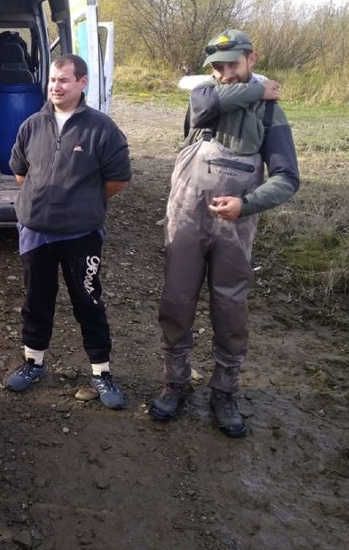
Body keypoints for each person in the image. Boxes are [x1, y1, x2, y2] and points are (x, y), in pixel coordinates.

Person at [148, 28, 300, 437]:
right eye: (217, 67)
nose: (224, 73)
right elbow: (204, 105)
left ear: (252, 57)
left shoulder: (271, 115)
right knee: (176, 301)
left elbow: (287, 178)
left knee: (230, 307)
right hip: (186, 217)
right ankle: (175, 381)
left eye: (232, 64)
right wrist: (259, 88)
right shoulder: (205, 96)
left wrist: (245, 204)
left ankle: (225, 390)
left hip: (234, 226)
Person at [5, 54, 132, 409]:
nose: (55, 87)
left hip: (81, 235)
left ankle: (101, 372)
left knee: (88, 301)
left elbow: (118, 178)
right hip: (35, 232)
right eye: (52, 80)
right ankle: (33, 363)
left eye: (63, 80)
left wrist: (83, 202)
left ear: (82, 82)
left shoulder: (101, 128)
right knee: (36, 301)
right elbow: (20, 172)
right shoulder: (31, 124)